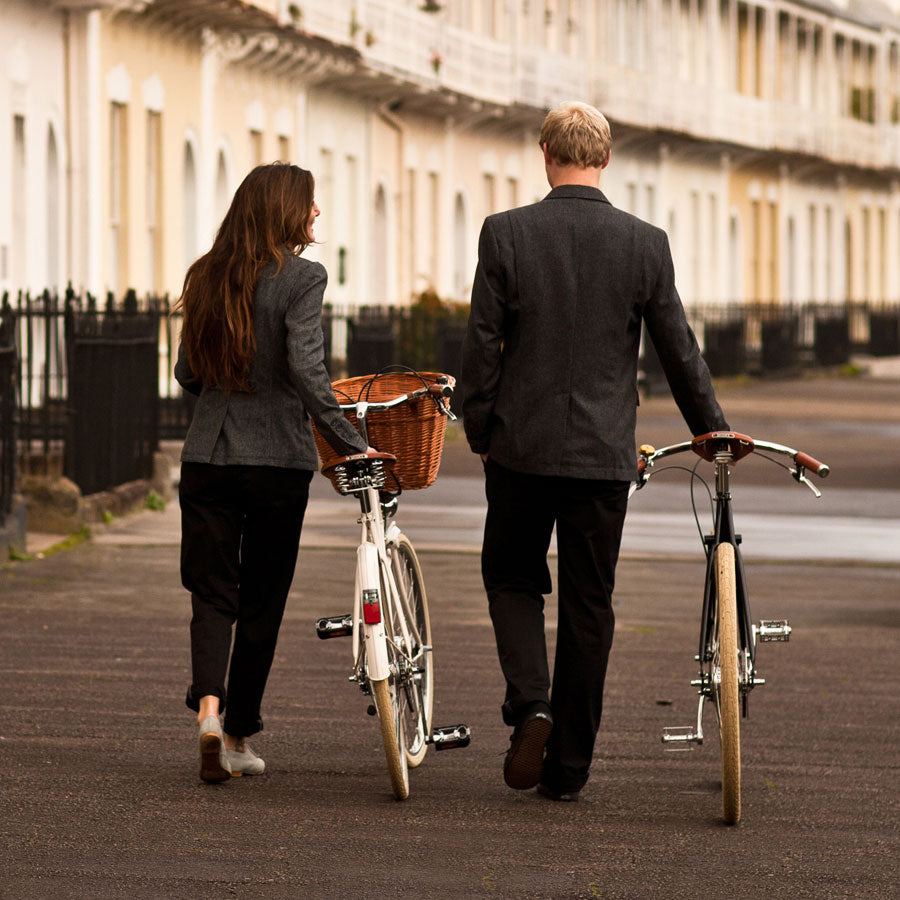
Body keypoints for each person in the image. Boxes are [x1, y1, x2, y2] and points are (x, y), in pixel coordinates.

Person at [461, 101, 729, 802]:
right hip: (603, 458)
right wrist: (711, 427)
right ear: (606, 159)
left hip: (520, 449)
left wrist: (480, 428)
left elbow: (482, 345)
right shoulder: (645, 243)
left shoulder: (506, 234)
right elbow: (679, 350)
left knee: (513, 577)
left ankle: (532, 704)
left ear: (546, 154)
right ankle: (569, 767)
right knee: (589, 605)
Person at [174, 163, 370, 783]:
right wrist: (352, 444)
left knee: (211, 593)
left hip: (208, 456)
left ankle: (209, 710)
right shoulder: (303, 278)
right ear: (286, 210)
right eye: (310, 205)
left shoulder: (207, 274)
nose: (317, 215)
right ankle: (236, 736)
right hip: (277, 462)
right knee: (262, 601)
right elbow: (310, 373)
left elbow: (186, 373)